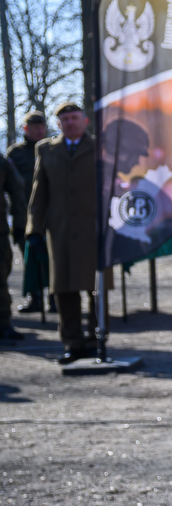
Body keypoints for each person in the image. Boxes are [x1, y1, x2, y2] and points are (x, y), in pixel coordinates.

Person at [26, 103, 100, 362]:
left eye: (74, 118)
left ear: (85, 120)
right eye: (64, 119)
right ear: (58, 124)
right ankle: (72, 343)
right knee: (64, 290)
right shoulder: (46, 150)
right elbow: (39, 195)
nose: (70, 123)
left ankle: (96, 341)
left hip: (95, 231)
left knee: (96, 289)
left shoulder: (100, 147)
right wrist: (34, 230)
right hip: (60, 231)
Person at [0, 111, 39, 341]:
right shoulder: (13, 155)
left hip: (0, 233)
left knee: (1, 279)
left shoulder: (2, 163)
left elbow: (17, 194)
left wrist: (19, 226)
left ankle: (3, 322)